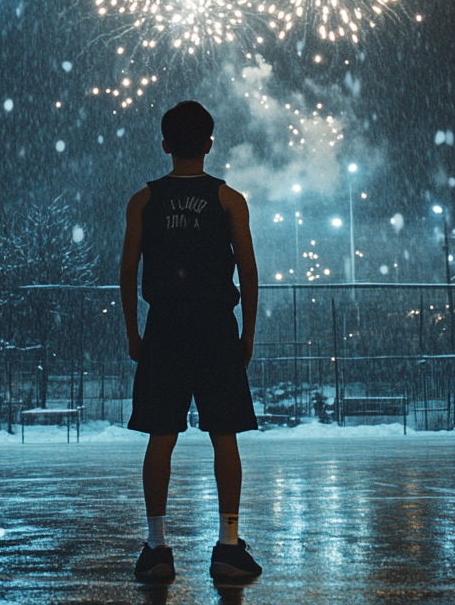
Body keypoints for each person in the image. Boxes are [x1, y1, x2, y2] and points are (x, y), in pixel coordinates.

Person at [120, 100, 263, 583]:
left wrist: (134, 333)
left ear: (164, 145)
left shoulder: (144, 201)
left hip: (165, 325)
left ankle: (157, 547)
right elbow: (248, 268)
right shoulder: (229, 200)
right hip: (215, 324)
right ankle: (227, 546)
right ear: (208, 144)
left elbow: (126, 272)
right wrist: (246, 333)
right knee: (225, 436)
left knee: (162, 436)